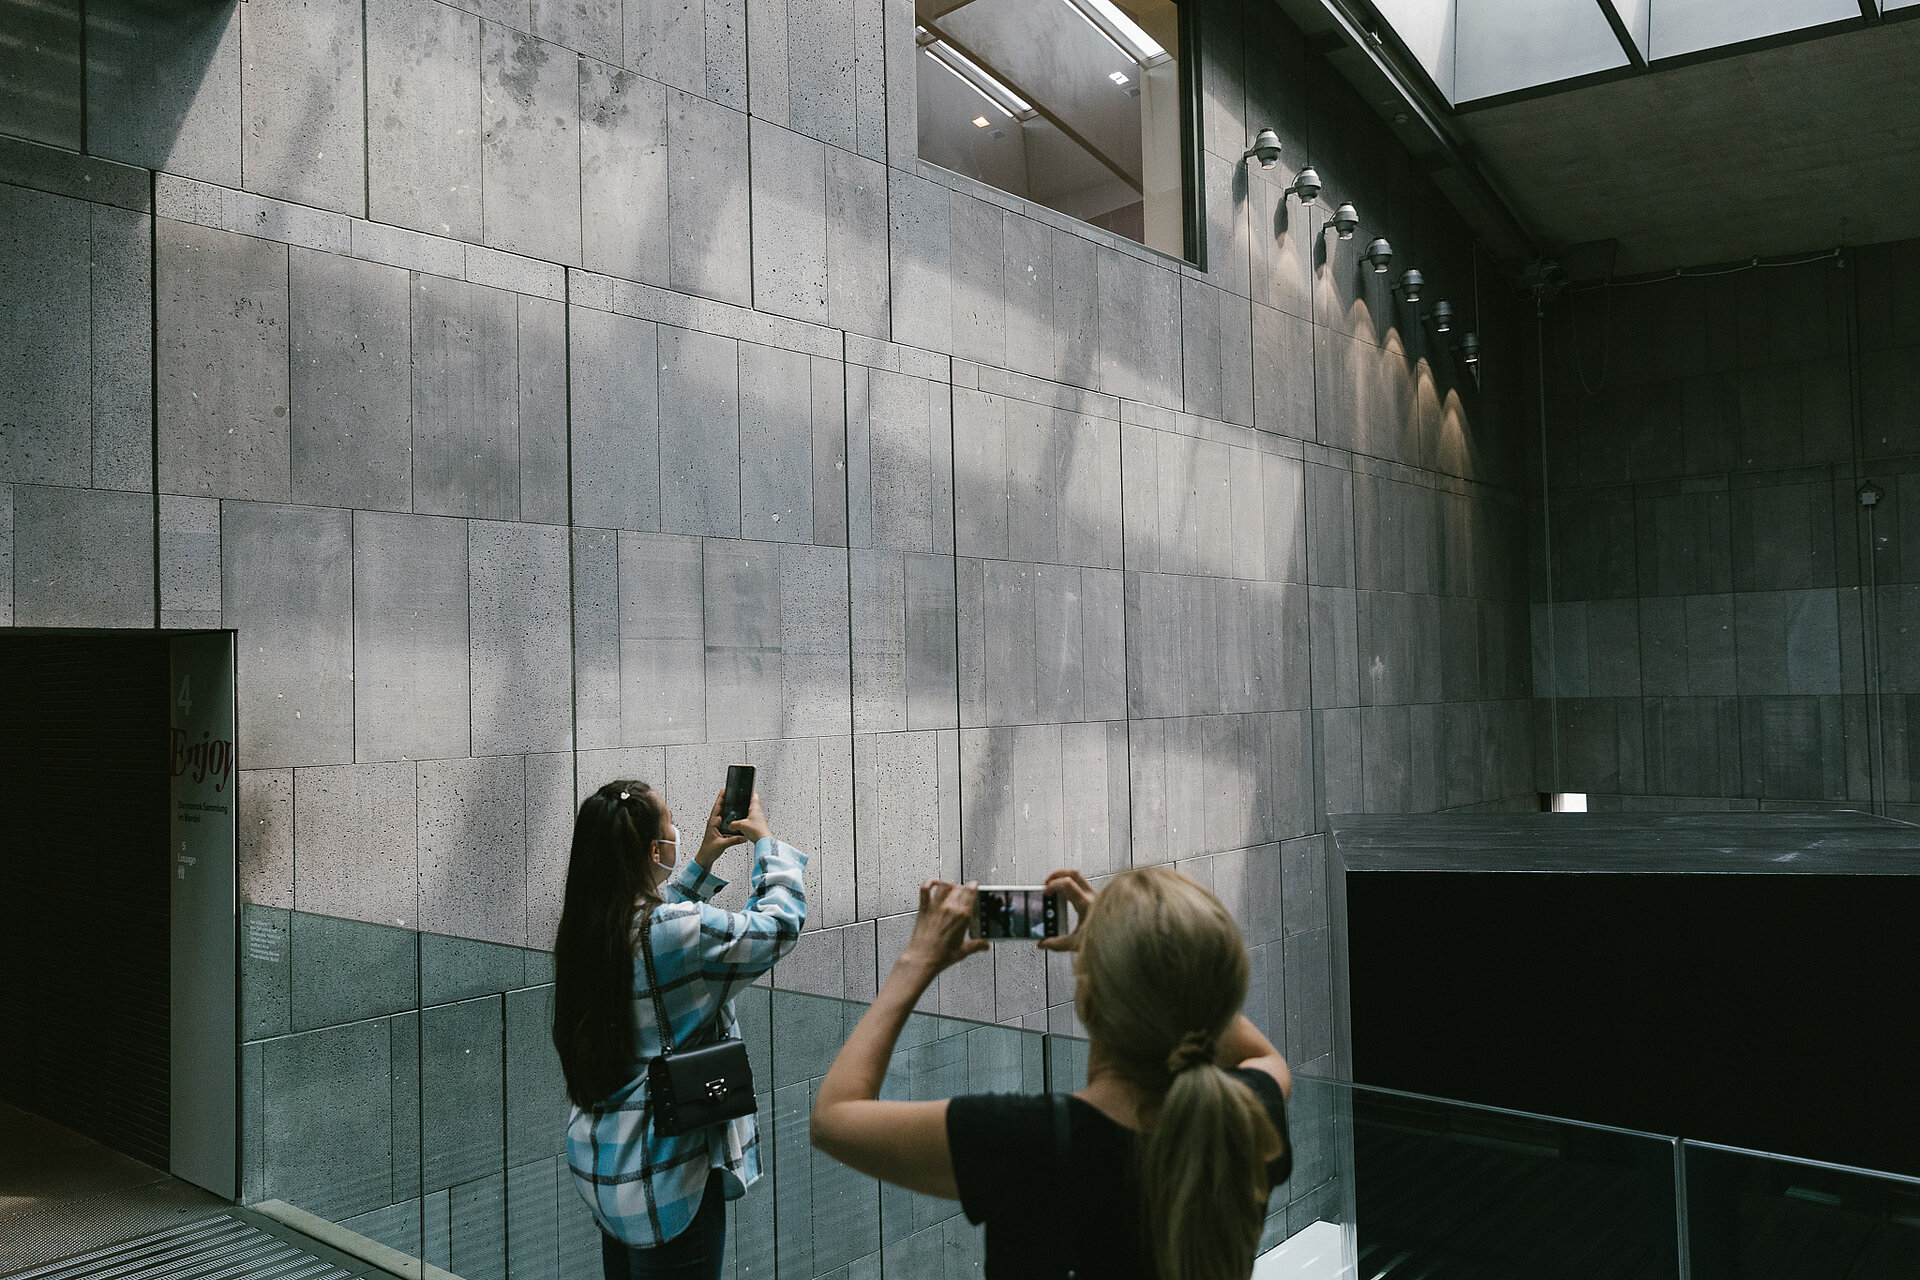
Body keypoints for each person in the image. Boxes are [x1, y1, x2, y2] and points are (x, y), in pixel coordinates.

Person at [810, 867, 1291, 1280]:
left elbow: (834, 1118)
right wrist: (1150, 955)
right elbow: (1261, 1055)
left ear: (1089, 1000)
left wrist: (916, 960)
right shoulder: (1247, 1118)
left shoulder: (1026, 1142)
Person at [552, 779, 807, 1280]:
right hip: (669, 1185)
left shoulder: (589, 929)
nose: (677, 829)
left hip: (607, 1172)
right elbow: (780, 925)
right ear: (653, 849)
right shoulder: (673, 932)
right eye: (670, 823)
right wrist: (765, 843)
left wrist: (701, 863)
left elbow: (655, 934)